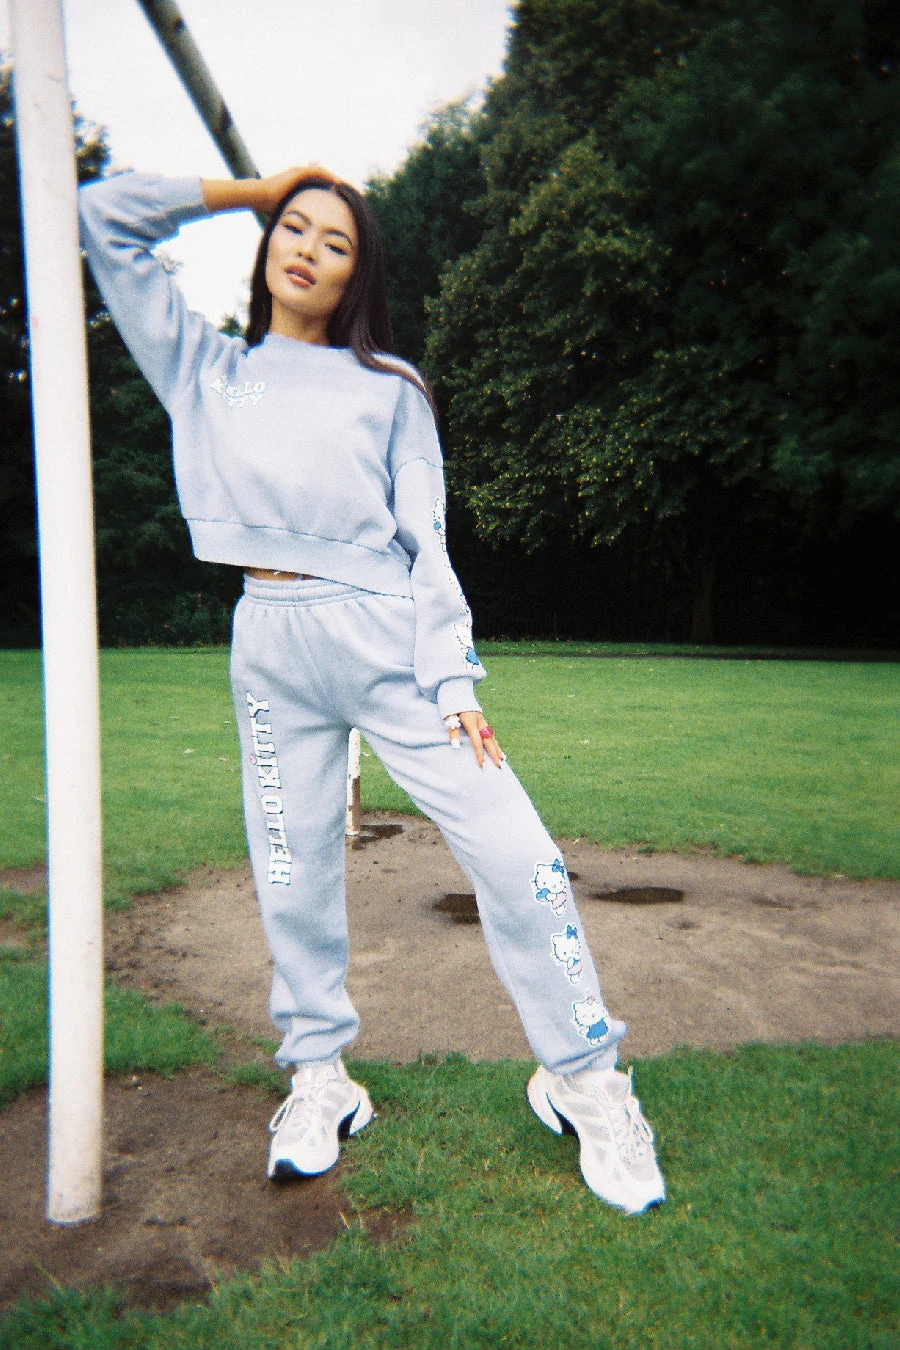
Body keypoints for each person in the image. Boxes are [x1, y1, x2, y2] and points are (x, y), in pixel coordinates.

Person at [78, 166, 666, 1214]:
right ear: (268, 244)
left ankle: (586, 1077)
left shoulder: (391, 387)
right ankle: (321, 1077)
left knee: (523, 858)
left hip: (389, 640)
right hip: (270, 645)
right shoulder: (206, 369)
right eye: (293, 228)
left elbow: (427, 539)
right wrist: (249, 189)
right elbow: (104, 217)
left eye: (336, 241)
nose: (307, 248)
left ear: (360, 275)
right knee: (292, 872)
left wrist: (454, 678)